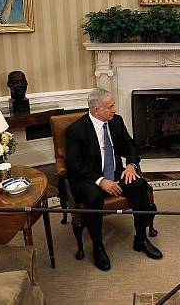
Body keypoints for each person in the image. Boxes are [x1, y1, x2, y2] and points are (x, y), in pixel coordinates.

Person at [65, 88, 162, 271]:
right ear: (96, 110)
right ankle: (98, 246)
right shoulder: (76, 130)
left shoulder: (116, 121)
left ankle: (140, 239)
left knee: (139, 184)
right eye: (110, 106)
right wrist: (101, 180)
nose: (114, 109)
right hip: (89, 179)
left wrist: (131, 165)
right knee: (93, 197)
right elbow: (74, 166)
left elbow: (130, 145)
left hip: (115, 172)